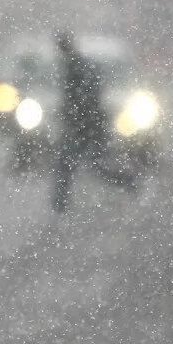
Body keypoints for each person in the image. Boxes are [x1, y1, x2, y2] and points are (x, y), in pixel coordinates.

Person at [51, 29, 108, 213]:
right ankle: (59, 206)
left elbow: (84, 100)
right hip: (85, 127)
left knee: (69, 166)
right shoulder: (76, 65)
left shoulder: (77, 67)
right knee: (94, 166)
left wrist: (75, 118)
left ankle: (59, 207)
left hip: (83, 127)